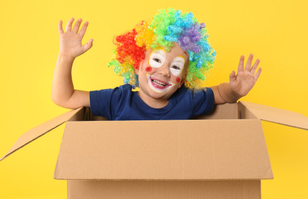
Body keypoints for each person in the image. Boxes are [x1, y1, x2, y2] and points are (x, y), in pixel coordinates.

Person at [52, 9, 262, 120]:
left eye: (176, 67)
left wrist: (235, 91)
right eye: (157, 60)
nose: (164, 72)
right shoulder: (118, 100)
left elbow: (221, 94)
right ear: (137, 64)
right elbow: (64, 97)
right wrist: (65, 57)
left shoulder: (187, 100)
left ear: (183, 80)